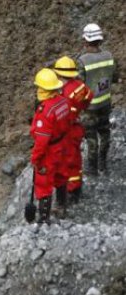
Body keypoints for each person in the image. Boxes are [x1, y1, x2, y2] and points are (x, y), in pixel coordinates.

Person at [30, 68, 71, 224]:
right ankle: (61, 207)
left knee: (43, 183)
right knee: (61, 176)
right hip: (62, 145)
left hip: (50, 151)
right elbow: (68, 123)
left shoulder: (44, 111)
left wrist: (36, 158)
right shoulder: (63, 101)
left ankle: (44, 219)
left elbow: (41, 142)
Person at [77, 23, 118, 175]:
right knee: (105, 132)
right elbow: (115, 77)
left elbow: (78, 86)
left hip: (89, 107)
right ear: (100, 40)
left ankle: (92, 168)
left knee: (91, 137)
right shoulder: (109, 57)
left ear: (86, 40)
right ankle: (103, 164)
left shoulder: (82, 61)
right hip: (105, 103)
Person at [53, 56, 93, 204]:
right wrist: (80, 109)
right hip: (76, 127)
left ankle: (72, 191)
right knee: (76, 158)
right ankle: (75, 187)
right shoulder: (80, 86)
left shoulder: (64, 94)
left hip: (68, 131)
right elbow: (89, 97)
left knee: (69, 161)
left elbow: (62, 118)